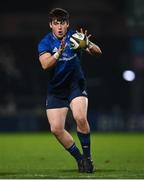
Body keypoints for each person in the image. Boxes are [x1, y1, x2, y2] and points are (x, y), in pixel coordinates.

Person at [37, 7, 102, 173]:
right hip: (56, 90)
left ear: (67, 24)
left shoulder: (75, 36)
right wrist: (58, 53)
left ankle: (87, 158)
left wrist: (87, 44)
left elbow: (97, 52)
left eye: (63, 23)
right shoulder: (45, 43)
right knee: (56, 129)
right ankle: (80, 159)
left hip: (75, 85)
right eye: (56, 23)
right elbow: (45, 64)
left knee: (80, 117)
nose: (59, 27)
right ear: (50, 25)